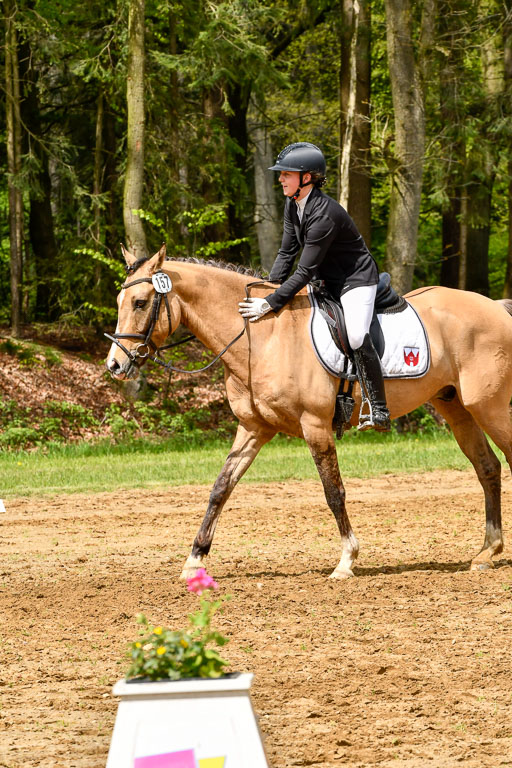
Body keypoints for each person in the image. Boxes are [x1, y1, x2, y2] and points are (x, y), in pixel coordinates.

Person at [238, 141, 391, 432]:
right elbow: (286, 253)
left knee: (357, 335)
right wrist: (267, 288)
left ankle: (379, 408)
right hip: (325, 280)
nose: (280, 178)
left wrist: (270, 302)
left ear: (306, 177)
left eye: (286, 174)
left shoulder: (324, 214)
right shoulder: (292, 204)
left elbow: (304, 271)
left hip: (355, 280)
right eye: (280, 174)